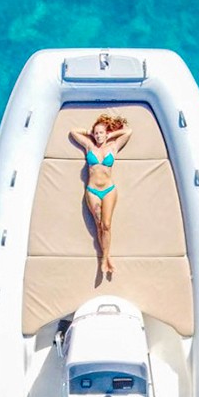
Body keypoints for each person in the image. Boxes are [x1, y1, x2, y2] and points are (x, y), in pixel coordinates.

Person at [69, 113, 132, 277]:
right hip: (92, 191)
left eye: (101, 133)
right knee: (99, 224)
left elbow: (128, 131)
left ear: (106, 134)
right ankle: (106, 257)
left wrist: (112, 134)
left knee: (107, 224)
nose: (98, 136)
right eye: (96, 133)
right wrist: (88, 131)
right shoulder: (89, 146)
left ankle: (104, 258)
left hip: (109, 190)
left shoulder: (113, 147)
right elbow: (73, 132)